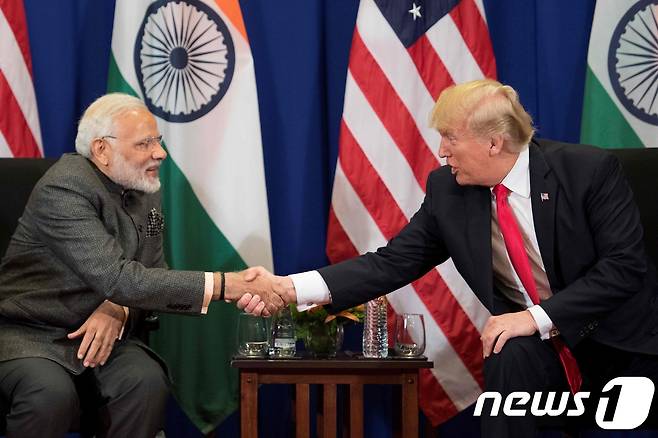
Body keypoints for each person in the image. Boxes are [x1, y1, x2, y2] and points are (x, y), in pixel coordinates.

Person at [244, 79, 658, 436]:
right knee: (508, 350)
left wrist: (532, 317)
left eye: (451, 137)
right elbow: (391, 262)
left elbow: (623, 269)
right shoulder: (450, 191)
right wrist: (289, 287)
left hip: (623, 342)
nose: (442, 151)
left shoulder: (588, 171)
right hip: (545, 348)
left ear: (494, 142)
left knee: (517, 334)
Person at [0, 93, 281, 438]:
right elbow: (119, 276)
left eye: (158, 141)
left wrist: (116, 307)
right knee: (49, 395)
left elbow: (151, 271)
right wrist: (229, 285)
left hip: (106, 334)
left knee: (145, 383)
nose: (160, 154)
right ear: (102, 150)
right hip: (33, 333)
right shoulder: (65, 188)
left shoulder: (144, 187)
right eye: (144, 143)